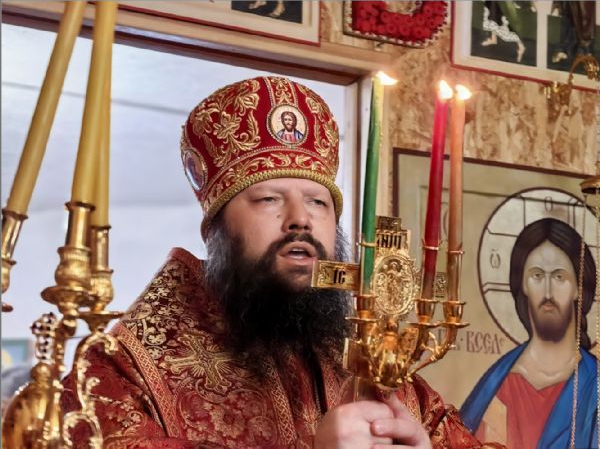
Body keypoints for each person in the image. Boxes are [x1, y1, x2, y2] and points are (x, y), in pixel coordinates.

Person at [62, 76, 500, 448]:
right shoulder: (122, 368)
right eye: (268, 199)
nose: (300, 220)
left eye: (317, 202)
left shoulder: (377, 365)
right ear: (217, 229)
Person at [461, 218, 598, 449]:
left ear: (578, 287)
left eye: (559, 277)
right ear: (524, 285)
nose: (548, 292)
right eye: (537, 276)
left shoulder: (594, 384)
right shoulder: (497, 385)